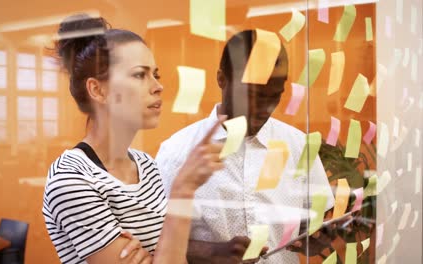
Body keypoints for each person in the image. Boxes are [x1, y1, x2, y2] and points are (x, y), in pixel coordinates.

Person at [42, 14, 225, 264]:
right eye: (140, 75)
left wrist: (157, 255)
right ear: (98, 90)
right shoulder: (71, 179)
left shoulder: (146, 165)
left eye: (156, 74)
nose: (158, 86)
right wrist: (183, 189)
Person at [156, 30, 335, 263]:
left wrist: (319, 236)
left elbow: (318, 223)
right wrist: (211, 252)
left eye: (275, 96)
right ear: (222, 79)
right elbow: (154, 240)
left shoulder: (299, 145)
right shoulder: (176, 152)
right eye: (253, 95)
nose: (265, 108)